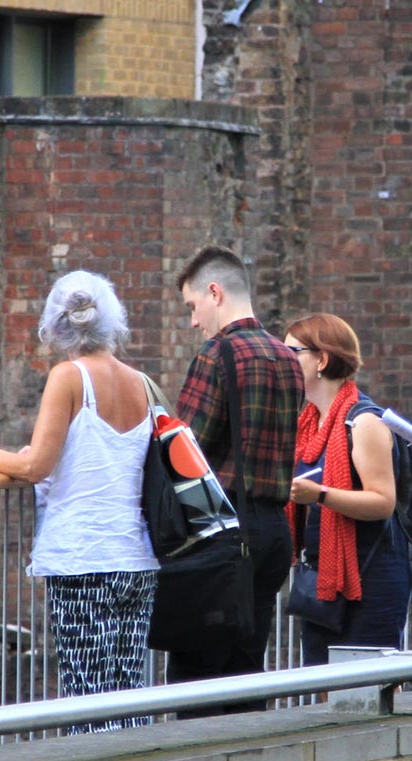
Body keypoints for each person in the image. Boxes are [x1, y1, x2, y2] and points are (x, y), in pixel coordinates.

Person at [0, 270, 159, 730]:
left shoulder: (69, 377)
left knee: (85, 701)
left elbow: (34, 468)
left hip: (84, 560)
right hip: (136, 558)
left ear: (57, 325)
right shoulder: (140, 382)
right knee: (128, 699)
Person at [170, 244, 304, 713]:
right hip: (272, 532)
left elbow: (184, 455)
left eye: (192, 307)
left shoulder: (217, 355)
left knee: (196, 679)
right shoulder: (287, 358)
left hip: (222, 538)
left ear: (214, 292)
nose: (192, 321)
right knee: (246, 669)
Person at [284, 313, 412, 666]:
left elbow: (383, 502)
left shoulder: (364, 421)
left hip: (369, 580)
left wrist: (320, 495)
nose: (284, 361)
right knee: (324, 686)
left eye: (292, 352)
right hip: (323, 580)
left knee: (365, 691)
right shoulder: (309, 423)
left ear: (322, 359)